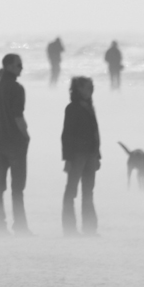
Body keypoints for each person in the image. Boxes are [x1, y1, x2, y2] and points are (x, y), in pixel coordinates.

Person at [0, 54, 32, 236]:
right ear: (9, 67)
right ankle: (19, 226)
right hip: (16, 143)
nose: (21, 68)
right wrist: (26, 136)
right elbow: (18, 116)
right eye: (19, 65)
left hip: (0, 142)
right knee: (17, 189)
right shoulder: (16, 88)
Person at [61, 76, 100, 237]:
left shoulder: (89, 107)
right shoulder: (72, 108)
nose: (91, 89)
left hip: (90, 155)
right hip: (77, 155)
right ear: (79, 89)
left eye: (92, 86)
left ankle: (90, 228)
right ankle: (70, 229)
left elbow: (95, 133)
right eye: (88, 87)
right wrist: (67, 159)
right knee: (71, 192)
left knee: (88, 192)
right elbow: (66, 135)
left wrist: (97, 155)